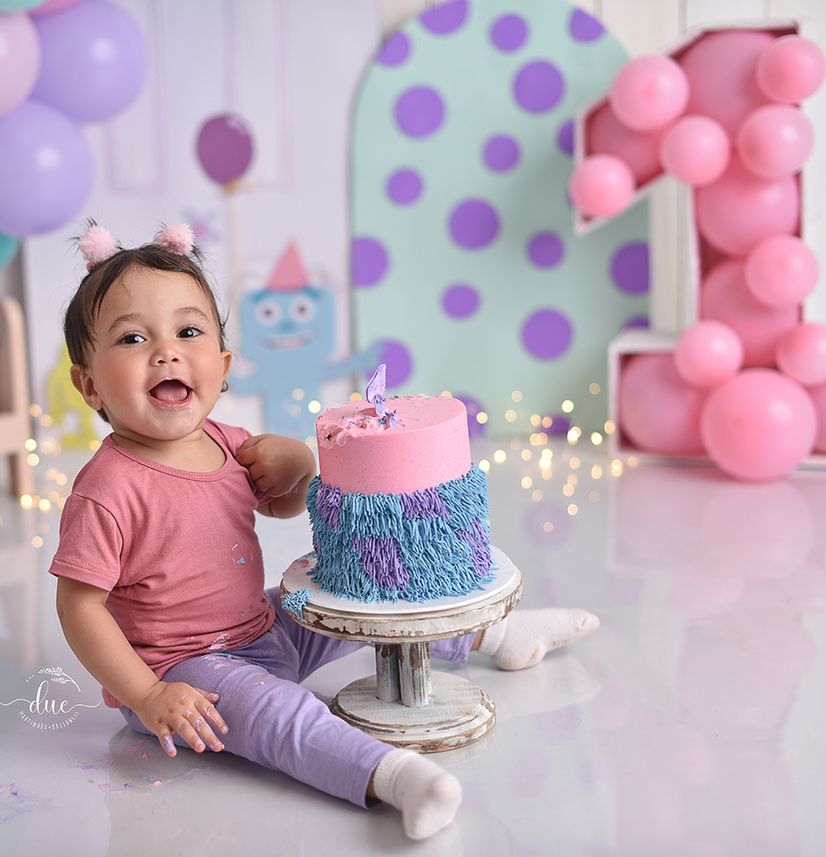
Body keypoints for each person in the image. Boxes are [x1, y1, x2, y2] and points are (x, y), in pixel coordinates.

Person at [49, 222, 598, 841]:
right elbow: (79, 606)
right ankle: (394, 777)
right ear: (88, 383)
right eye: (132, 338)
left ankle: (496, 635)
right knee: (280, 714)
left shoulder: (225, 443)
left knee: (355, 596)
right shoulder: (108, 490)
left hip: (263, 625)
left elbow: (281, 507)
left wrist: (300, 468)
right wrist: (147, 695)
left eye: (189, 332)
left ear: (222, 366)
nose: (166, 353)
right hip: (187, 671)